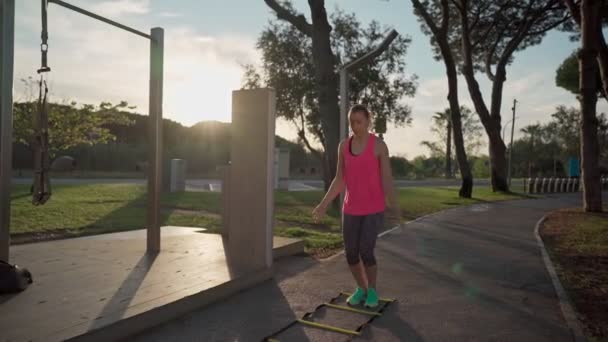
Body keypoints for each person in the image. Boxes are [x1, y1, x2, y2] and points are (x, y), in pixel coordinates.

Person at [312, 104, 399, 308]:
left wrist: (393, 205)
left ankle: (373, 290)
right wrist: (323, 204)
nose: (355, 125)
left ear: (368, 121)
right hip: (351, 208)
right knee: (351, 252)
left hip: (373, 208)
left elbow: (386, 178)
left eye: (359, 121)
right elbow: (340, 179)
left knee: (366, 251)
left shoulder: (378, 146)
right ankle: (361, 288)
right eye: (352, 121)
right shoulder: (344, 146)